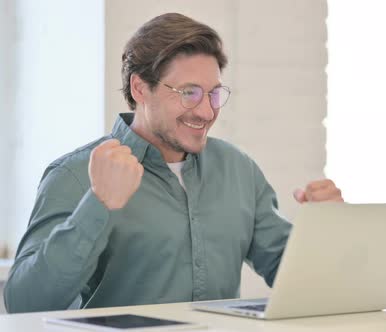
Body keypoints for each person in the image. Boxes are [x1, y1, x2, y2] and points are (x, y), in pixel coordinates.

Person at [3, 13, 343, 313]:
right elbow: (25, 304)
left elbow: (298, 282)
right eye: (188, 92)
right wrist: (98, 204)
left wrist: (325, 232)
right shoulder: (75, 176)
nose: (207, 111)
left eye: (213, 93)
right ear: (140, 88)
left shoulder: (238, 170)